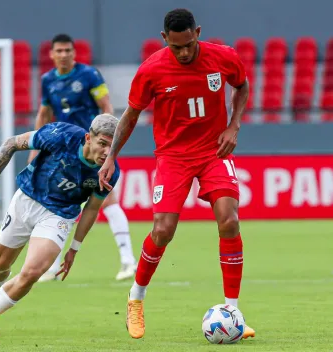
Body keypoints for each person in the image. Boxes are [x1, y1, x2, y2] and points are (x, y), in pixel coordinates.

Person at [98, 9, 255, 339]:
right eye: (177, 47)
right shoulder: (152, 70)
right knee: (164, 229)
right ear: (164, 39)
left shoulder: (223, 57)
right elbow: (130, 116)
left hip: (214, 151)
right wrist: (111, 156)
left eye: (189, 44)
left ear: (197, 32)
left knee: (229, 220)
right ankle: (136, 300)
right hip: (173, 157)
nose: (184, 53)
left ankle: (233, 310)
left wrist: (233, 125)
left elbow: (242, 86)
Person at [0, 114, 120, 337]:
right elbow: (11, 143)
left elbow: (91, 208)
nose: (107, 152)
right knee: (0, 264)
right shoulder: (60, 135)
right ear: (89, 138)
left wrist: (74, 248)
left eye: (113, 146)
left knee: (32, 272)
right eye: (102, 144)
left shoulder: (110, 171)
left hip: (59, 215)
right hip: (27, 199)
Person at [29, 33, 136, 282]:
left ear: (74, 53)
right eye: (59, 51)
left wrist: (110, 144)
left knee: (107, 201)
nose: (64, 55)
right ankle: (52, 265)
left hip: (93, 152)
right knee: (57, 205)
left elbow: (107, 107)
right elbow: (44, 114)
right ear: (52, 54)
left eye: (68, 50)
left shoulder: (89, 75)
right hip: (64, 154)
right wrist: (35, 151)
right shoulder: (48, 81)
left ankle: (128, 260)